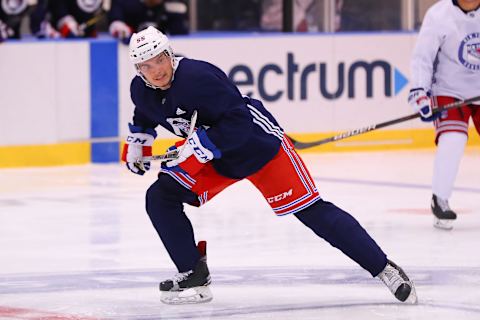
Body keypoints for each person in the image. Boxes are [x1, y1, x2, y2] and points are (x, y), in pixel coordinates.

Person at [121, 26, 418, 305]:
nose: (156, 70)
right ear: (138, 70)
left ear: (169, 54)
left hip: (257, 146)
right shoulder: (141, 89)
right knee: (160, 197)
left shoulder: (198, 77)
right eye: (146, 65)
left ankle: (383, 268)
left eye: (159, 60)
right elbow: (146, 114)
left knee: (311, 210)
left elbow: (239, 121)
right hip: (214, 157)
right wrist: (139, 145)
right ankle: (192, 273)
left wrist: (197, 148)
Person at [408, 0, 480, 230]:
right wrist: (420, 92)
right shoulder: (439, 14)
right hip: (450, 91)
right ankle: (440, 199)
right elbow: (422, 57)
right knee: (453, 139)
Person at [108, 0, 188, 44]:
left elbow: (180, 37)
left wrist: (177, 16)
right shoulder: (126, 4)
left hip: (161, 52)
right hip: (133, 52)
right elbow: (116, 23)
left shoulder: (173, 5)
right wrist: (123, 31)